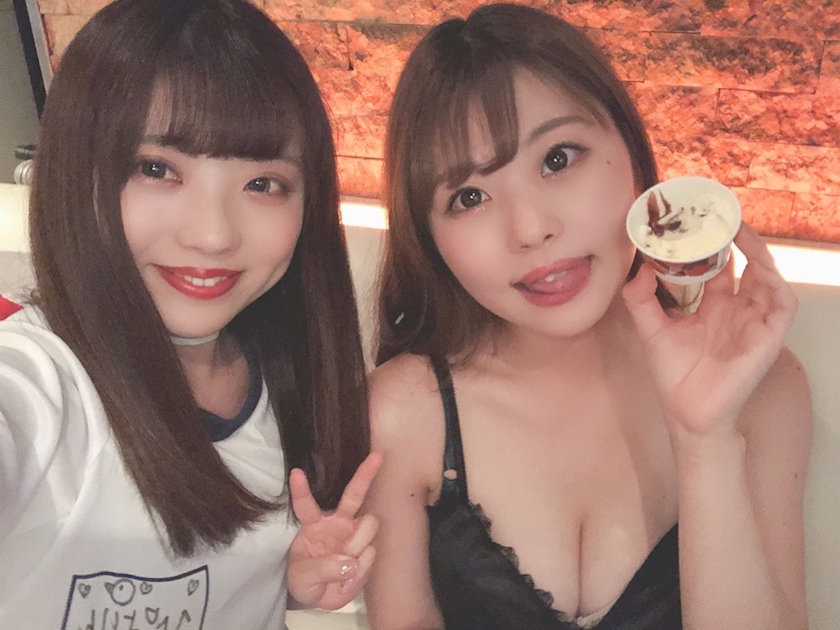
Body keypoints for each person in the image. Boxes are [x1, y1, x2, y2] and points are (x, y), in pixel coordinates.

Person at [363, 4, 812, 629]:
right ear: (428, 235)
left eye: (557, 158)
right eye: (469, 196)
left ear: (632, 152)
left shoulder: (762, 387)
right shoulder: (401, 415)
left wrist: (706, 441)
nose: (531, 229)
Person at [0, 0, 380, 627]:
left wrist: (287, 580)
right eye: (157, 169)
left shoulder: (291, 379)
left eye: (263, 184)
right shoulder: (44, 382)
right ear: (76, 171)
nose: (213, 235)